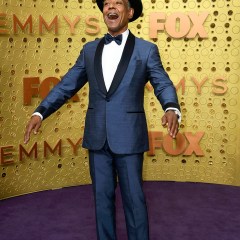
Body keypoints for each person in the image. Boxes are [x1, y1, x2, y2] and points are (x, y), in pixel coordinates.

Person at [24, 0, 181, 239]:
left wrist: (171, 107)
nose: (111, 7)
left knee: (134, 201)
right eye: (107, 3)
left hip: (128, 137)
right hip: (97, 138)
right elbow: (67, 85)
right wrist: (40, 111)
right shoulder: (89, 50)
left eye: (118, 3)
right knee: (102, 202)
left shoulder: (146, 50)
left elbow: (163, 83)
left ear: (129, 12)